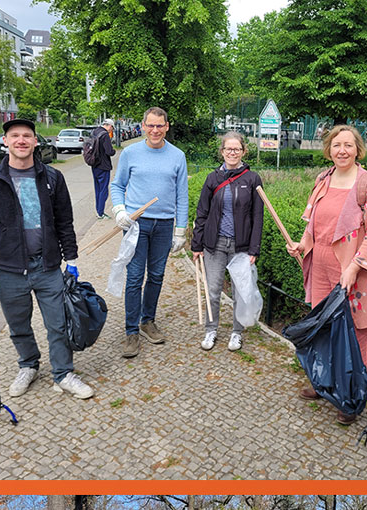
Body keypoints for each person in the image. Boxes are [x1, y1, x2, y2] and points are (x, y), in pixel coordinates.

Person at [0, 118, 93, 400]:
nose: (21, 140)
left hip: (47, 265)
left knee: (58, 324)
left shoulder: (52, 177)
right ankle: (28, 365)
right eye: (15, 136)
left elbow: (65, 221)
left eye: (27, 136)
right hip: (9, 269)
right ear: (6, 142)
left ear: (36, 141)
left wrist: (71, 259)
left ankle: (63, 373)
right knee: (18, 324)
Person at [290, 123, 367, 382]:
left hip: (352, 271)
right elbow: (314, 222)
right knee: (321, 325)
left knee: (354, 331)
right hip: (321, 266)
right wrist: (302, 245)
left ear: (358, 150)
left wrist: (354, 268)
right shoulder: (323, 179)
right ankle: (323, 381)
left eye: (348, 145)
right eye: (336, 145)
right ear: (329, 150)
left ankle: (352, 392)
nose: (342, 150)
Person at [110, 107, 190, 359]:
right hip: (136, 225)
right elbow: (117, 184)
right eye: (151, 125)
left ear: (167, 126)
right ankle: (131, 331)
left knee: (156, 276)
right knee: (134, 277)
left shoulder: (177, 156)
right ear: (143, 126)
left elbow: (182, 195)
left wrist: (180, 230)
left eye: (160, 126)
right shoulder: (130, 153)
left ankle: (148, 321)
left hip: (164, 225)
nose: (155, 130)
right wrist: (119, 209)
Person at [189, 130, 263, 352]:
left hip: (241, 247)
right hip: (215, 245)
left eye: (237, 149)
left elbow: (258, 216)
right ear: (222, 151)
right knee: (212, 290)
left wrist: (254, 249)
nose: (232, 152)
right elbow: (202, 212)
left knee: (240, 292)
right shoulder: (213, 178)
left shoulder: (252, 179)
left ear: (243, 151)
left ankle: (236, 333)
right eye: (228, 149)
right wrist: (196, 245)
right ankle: (211, 329)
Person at [85, 120, 115, 216]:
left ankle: (98, 210)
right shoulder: (105, 135)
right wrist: (114, 151)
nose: (112, 130)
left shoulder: (95, 131)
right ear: (109, 126)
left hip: (95, 164)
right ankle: (100, 212)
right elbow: (109, 151)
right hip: (104, 165)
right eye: (112, 127)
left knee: (97, 188)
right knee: (103, 190)